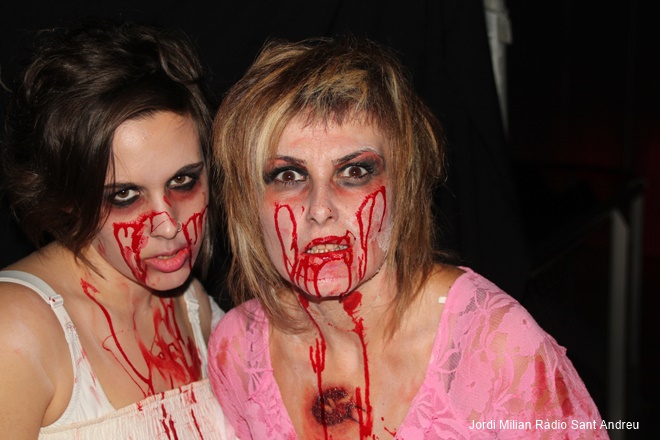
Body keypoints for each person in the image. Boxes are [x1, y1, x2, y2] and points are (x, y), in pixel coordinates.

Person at [208, 36, 608, 439]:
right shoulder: (239, 351)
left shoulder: (493, 347)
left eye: (354, 172)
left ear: (407, 186)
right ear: (247, 201)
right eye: (289, 175)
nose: (320, 207)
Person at [0, 21, 235, 439]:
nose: (168, 225)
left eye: (183, 181)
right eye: (125, 195)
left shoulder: (192, 306)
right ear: (69, 198)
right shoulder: (15, 329)